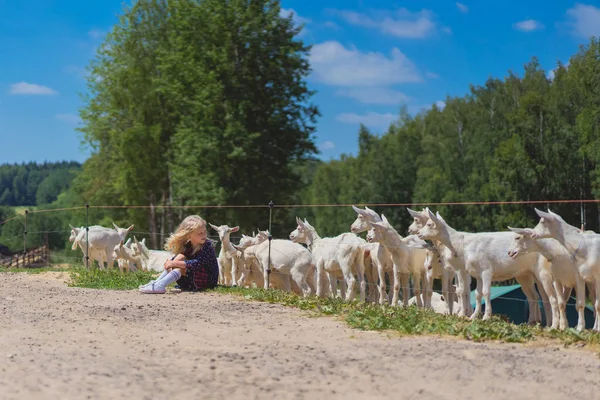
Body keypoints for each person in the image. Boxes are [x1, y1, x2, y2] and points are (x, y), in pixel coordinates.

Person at [139, 215, 219, 294]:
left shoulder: (207, 246)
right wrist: (171, 263)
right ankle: (157, 283)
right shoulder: (188, 245)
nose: (204, 235)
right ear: (189, 235)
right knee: (180, 257)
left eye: (205, 231)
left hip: (207, 281)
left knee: (179, 265)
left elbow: (198, 264)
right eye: (200, 233)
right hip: (193, 278)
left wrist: (174, 263)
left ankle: (160, 285)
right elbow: (181, 258)